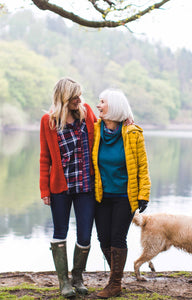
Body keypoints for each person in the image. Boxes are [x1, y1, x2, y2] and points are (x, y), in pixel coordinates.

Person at [39, 77, 97, 297]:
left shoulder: (86, 113)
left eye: (79, 95)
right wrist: (44, 190)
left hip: (86, 186)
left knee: (84, 234)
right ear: (63, 98)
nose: (79, 100)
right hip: (60, 188)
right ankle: (64, 282)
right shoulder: (48, 121)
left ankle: (78, 277)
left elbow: (104, 128)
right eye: (74, 97)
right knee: (60, 232)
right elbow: (45, 158)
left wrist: (126, 119)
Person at [92, 88, 151, 298]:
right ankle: (117, 277)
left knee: (118, 237)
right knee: (102, 238)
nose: (98, 105)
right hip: (100, 195)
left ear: (114, 106)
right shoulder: (94, 130)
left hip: (124, 197)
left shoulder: (132, 133)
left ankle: (115, 284)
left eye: (102, 102)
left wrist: (144, 194)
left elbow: (143, 167)